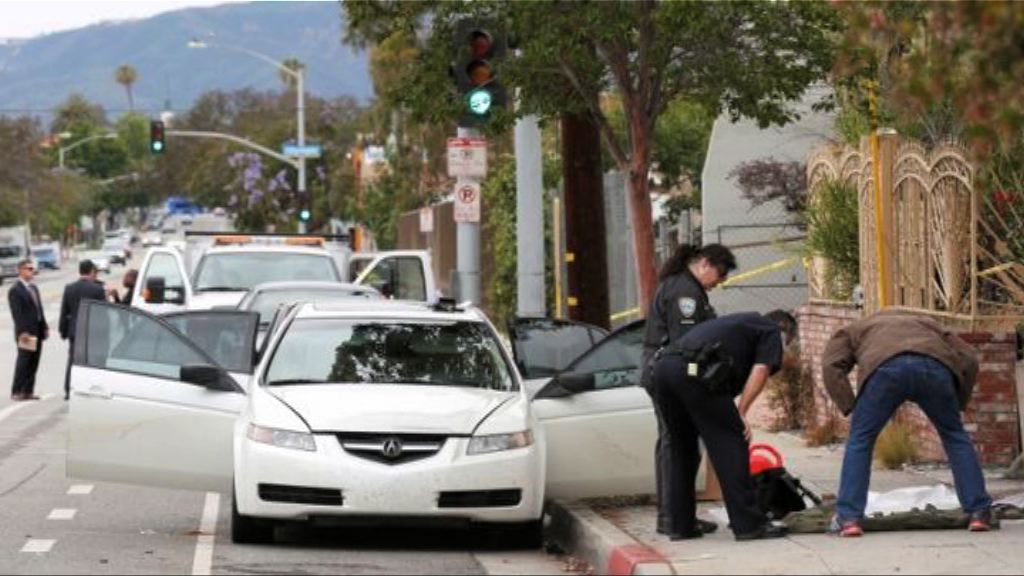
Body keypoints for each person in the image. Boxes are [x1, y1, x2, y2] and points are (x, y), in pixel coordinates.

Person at [822, 309, 994, 537]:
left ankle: (849, 518)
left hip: (884, 371)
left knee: (860, 440)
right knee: (954, 436)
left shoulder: (855, 328)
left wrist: (850, 406)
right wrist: (958, 401)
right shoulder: (929, 323)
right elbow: (969, 357)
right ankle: (979, 513)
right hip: (934, 369)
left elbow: (830, 364)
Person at [651, 310, 796, 541]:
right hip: (693, 371)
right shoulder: (770, 330)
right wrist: (741, 413)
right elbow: (761, 370)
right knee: (731, 443)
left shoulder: (739, 325)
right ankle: (749, 524)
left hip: (663, 370)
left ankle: (681, 525)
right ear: (784, 331)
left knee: (682, 449)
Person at [641, 243, 736, 537]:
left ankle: (677, 515)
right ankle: (673, 518)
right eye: (718, 275)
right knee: (677, 448)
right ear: (705, 264)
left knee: (679, 447)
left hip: (665, 375)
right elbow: (688, 343)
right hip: (670, 377)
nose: (718, 283)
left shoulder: (684, 287)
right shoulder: (685, 293)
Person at [59, 260, 107, 400]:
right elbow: (103, 312)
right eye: (95, 272)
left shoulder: (69, 288)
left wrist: (63, 331)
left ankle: (68, 390)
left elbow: (64, 312)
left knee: (73, 361)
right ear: (91, 272)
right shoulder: (98, 290)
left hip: (75, 331)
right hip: (92, 332)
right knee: (94, 362)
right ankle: (92, 389)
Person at [8, 259, 48, 401]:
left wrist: (44, 325)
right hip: (26, 333)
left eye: (32, 269)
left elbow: (39, 310)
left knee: (34, 362)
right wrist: (22, 332)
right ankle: (17, 390)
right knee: (24, 361)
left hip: (37, 330)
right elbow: (17, 314)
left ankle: (28, 391)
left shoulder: (33, 288)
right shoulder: (15, 290)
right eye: (28, 268)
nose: (31, 271)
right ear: (20, 270)